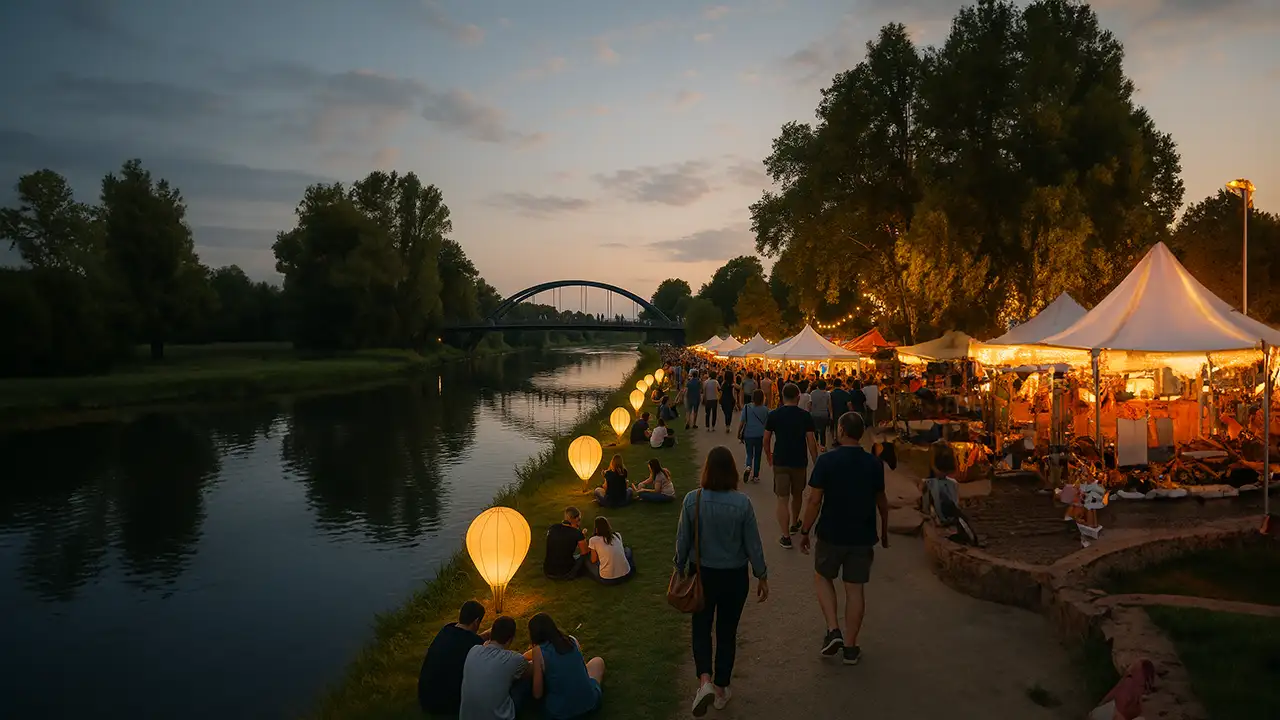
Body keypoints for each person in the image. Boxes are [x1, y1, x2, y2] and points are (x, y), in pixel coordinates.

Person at [676, 446, 769, 715]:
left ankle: (703, 679)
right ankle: (721, 688)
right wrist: (761, 574)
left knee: (701, 627)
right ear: (732, 471)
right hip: (734, 576)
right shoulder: (742, 503)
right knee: (727, 631)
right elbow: (753, 543)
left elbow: (683, 539)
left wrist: (679, 567)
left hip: (701, 574)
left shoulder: (693, 500)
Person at [798, 413, 890, 666]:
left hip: (831, 531)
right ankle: (850, 647)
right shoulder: (873, 463)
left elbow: (815, 500)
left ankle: (832, 629)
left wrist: (805, 530)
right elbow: (882, 502)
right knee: (855, 588)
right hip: (862, 534)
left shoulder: (827, 461)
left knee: (822, 576)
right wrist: (884, 532)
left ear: (840, 430)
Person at [764, 383, 819, 549]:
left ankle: (785, 536)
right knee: (797, 494)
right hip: (799, 460)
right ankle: (795, 522)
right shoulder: (805, 416)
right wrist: (816, 461)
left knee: (782, 499)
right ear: (798, 397)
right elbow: (811, 442)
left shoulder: (774, 415)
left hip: (780, 460)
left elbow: (766, 439)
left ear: (781, 396)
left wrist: (769, 456)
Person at [529, 613, 605, 719]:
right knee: (597, 661)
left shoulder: (538, 652)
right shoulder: (571, 640)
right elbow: (582, 669)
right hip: (589, 704)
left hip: (559, 713)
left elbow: (537, 694)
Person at [418, 600, 488, 716]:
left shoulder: (447, 630)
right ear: (476, 622)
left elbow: (469, 638)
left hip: (425, 696)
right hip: (445, 705)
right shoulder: (472, 645)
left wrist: (486, 634)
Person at [459, 616, 532, 720]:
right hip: (497, 717)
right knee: (524, 682)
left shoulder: (473, 650)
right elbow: (533, 669)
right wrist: (536, 651)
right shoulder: (514, 659)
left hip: (467, 716)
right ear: (510, 639)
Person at [585, 516, 636, 584]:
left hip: (608, 579)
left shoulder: (593, 540)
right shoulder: (617, 535)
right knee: (627, 550)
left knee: (586, 560)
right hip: (626, 575)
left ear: (596, 528)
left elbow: (593, 560)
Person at [544, 506, 590, 580]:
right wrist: (582, 537)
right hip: (565, 573)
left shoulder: (553, 528)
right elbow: (585, 552)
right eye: (579, 520)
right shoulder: (577, 533)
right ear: (574, 519)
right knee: (585, 557)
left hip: (548, 571)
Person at [738, 389, 769, 483]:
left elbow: (742, 421)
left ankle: (748, 466)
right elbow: (767, 423)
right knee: (758, 455)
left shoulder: (747, 407)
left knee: (749, 453)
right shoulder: (765, 409)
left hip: (748, 434)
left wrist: (739, 433)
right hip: (760, 435)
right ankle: (755, 476)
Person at [810, 379, 832, 448]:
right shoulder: (827, 394)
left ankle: (816, 444)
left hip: (814, 414)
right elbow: (829, 405)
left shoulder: (812, 393)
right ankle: (822, 446)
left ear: (817, 386)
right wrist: (831, 414)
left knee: (815, 430)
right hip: (824, 414)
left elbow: (810, 404)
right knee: (823, 431)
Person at [719, 371, 738, 435]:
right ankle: (728, 425)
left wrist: (719, 399)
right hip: (730, 400)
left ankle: (727, 425)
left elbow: (721, 392)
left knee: (726, 413)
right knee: (729, 413)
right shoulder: (732, 384)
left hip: (724, 400)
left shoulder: (723, 383)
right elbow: (738, 388)